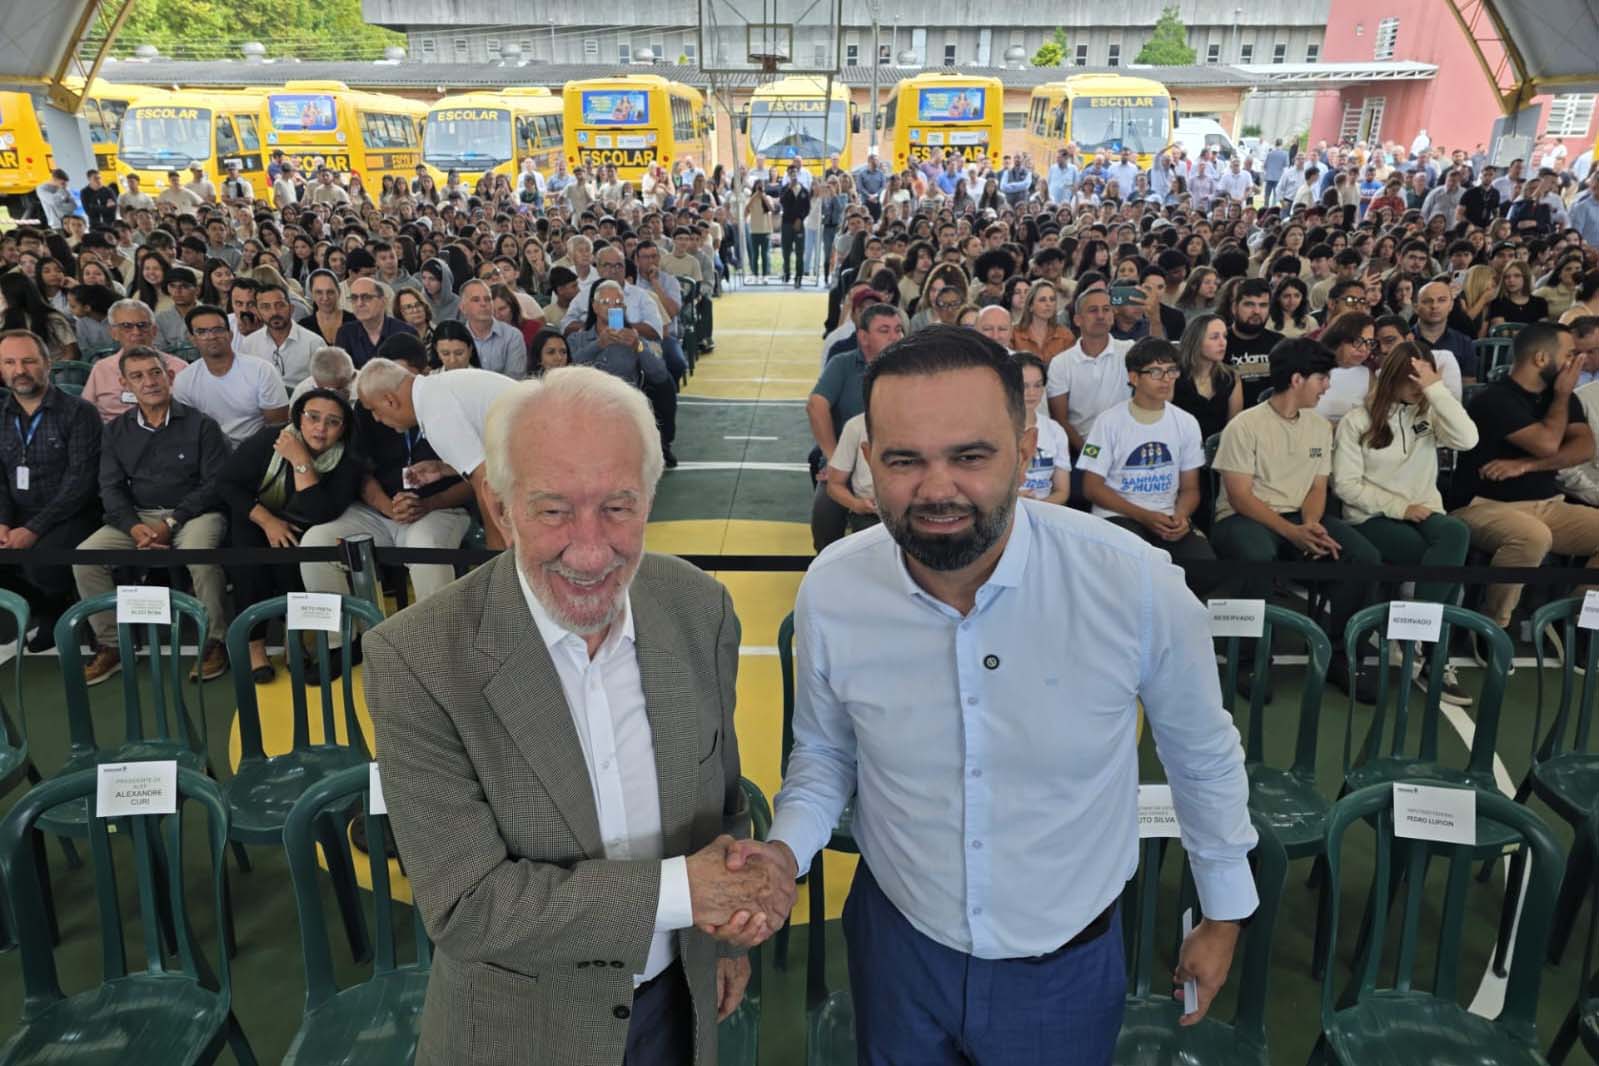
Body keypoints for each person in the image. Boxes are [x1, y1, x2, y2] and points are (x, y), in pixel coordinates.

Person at [743, 326, 1256, 1063]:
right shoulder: (834, 586)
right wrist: (782, 852)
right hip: (897, 948)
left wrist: (1223, 910)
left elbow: (1201, 753)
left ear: (1025, 451)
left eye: (970, 456)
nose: (936, 489)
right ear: (868, 462)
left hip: (1063, 964)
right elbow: (825, 754)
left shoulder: (1133, 585)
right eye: (904, 460)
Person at [363, 367, 777, 1066]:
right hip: (522, 1032)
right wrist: (688, 893)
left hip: (679, 1007)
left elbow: (721, 799)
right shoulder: (417, 658)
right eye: (553, 511)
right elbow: (467, 905)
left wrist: (722, 939)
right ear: (500, 506)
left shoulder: (699, 608)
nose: (589, 551)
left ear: (649, 498)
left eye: (617, 507)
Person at [1210, 338, 1381, 699]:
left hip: (1298, 517)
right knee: (1257, 557)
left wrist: (1312, 524)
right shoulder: (1245, 425)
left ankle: (1341, 654)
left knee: (1364, 557)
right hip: (1244, 517)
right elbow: (1240, 497)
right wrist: (1293, 532)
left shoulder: (1319, 427)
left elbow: (1317, 487)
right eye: (1322, 378)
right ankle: (1250, 660)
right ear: (1297, 379)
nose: (1327, 386)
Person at [72, 346, 231, 685]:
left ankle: (215, 641)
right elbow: (110, 487)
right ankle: (112, 645)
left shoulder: (202, 425)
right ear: (124, 383)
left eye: (155, 372)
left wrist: (171, 523)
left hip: (194, 514)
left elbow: (214, 485)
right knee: (85, 557)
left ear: (169, 376)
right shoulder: (116, 431)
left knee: (200, 555)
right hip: (138, 517)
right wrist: (133, 526)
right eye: (138, 376)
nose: (149, 382)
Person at [1333, 342, 1477, 704]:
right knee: (1439, 561)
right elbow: (1346, 486)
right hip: (1371, 517)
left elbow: (1468, 439)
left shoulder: (1429, 412)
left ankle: (1411, 636)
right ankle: (1433, 656)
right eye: (1411, 378)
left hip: (1425, 510)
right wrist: (1400, 507)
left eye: (1423, 378)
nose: (1418, 386)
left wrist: (1436, 390)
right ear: (1392, 377)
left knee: (1456, 533)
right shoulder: (1357, 420)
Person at [1451, 322, 1599, 651]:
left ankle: (1575, 620)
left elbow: (1585, 447)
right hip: (1482, 506)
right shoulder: (1494, 399)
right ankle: (1492, 626)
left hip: (1547, 505)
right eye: (1570, 355)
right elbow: (1548, 444)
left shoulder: (1560, 396)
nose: (1577, 363)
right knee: (1533, 536)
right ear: (1541, 358)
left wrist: (1526, 465)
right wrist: (1562, 395)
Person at [216, 388, 364, 681]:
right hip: (255, 515)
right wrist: (268, 522)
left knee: (295, 561)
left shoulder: (348, 459)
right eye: (313, 417)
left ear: (343, 428)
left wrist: (300, 461)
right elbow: (226, 484)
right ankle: (255, 647)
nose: (320, 428)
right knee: (250, 565)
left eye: (332, 422)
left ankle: (292, 638)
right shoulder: (269, 440)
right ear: (299, 418)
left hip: (303, 522)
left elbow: (319, 513)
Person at [1079, 336, 1215, 577]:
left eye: (1171, 371)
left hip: (1166, 516)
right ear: (1134, 378)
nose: (1166, 379)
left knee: (1205, 566)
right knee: (1134, 566)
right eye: (1155, 372)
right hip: (1118, 515)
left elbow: (1190, 488)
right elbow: (1091, 488)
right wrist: (1144, 516)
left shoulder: (1186, 422)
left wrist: (1180, 518)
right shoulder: (1108, 422)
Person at [0, 330, 101, 650]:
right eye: (10, 362)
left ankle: (58, 608)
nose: (20, 370)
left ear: (48, 363)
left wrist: (33, 528)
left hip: (72, 513)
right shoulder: (1, 415)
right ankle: (44, 607)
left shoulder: (79, 412)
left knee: (41, 558)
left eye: (28, 361)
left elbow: (80, 482)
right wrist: (3, 522)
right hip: (18, 511)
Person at [355, 357, 510, 550]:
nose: (376, 418)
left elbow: (486, 482)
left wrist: (496, 551)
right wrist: (445, 469)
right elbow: (490, 462)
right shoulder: (436, 391)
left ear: (390, 401)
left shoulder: (435, 413)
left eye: (373, 410)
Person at [808, 303, 906, 551]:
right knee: (825, 513)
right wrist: (832, 457)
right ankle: (826, 558)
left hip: (896, 461)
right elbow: (816, 406)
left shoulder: (913, 369)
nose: (894, 337)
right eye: (884, 330)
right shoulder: (842, 364)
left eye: (898, 329)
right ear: (863, 337)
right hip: (844, 460)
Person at [569, 280, 677, 466]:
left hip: (625, 408)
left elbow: (660, 374)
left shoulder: (633, 339)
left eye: (618, 303)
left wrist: (638, 347)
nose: (612, 307)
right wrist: (598, 345)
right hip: (586, 407)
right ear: (594, 307)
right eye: (606, 302)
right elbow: (567, 371)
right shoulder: (577, 339)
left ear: (624, 309)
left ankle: (659, 445)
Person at [172, 304, 290, 444]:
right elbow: (188, 429)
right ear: (192, 339)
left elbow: (277, 425)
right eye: (202, 332)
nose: (211, 336)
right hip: (210, 447)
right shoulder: (184, 380)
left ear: (230, 335)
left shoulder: (261, 370)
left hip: (257, 445)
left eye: (218, 330)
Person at [1046, 287, 1133, 453]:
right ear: (1077, 320)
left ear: (1112, 316)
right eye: (1093, 310)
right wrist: (1091, 454)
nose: (1100, 316)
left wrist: (1154, 317)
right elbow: (1060, 420)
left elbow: (1160, 360)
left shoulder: (1129, 351)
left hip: (1127, 447)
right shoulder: (1061, 363)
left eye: (1106, 309)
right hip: (1082, 450)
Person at [81, 299, 189, 423]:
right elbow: (85, 411)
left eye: (142, 325)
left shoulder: (179, 368)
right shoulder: (101, 368)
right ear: (113, 333)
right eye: (126, 326)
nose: (136, 332)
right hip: (112, 431)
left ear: (154, 331)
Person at [1174, 313, 1243, 443]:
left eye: (1224, 336)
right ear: (1195, 341)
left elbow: (1233, 428)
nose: (1223, 343)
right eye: (1214, 337)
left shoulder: (1230, 377)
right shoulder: (1174, 376)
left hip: (1219, 448)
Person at [1014, 352, 1072, 505]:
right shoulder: (992, 430)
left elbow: (1062, 491)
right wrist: (1012, 500)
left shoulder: (1055, 430)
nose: (1032, 393)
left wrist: (1038, 508)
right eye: (1024, 386)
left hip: (1045, 509)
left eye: (1038, 385)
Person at [240, 282, 320, 390]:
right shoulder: (249, 344)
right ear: (257, 312)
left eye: (280, 305)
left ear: (291, 308)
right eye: (265, 307)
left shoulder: (314, 343)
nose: (274, 312)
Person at [1224, 278, 1283, 406]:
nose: (1257, 311)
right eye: (1249, 304)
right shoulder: (1219, 342)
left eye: (1263, 305)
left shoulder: (1280, 344)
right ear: (1234, 308)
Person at [336, 277, 417, 369]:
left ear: (383, 301)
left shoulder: (407, 333)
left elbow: (413, 373)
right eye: (354, 298)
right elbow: (341, 373)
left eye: (366, 297)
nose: (359, 303)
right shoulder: (345, 333)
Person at [456, 278, 527, 378]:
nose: (483, 304)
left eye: (487, 299)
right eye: (476, 300)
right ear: (463, 308)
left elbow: (514, 380)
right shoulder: (456, 337)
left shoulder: (512, 336)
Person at [778, 163, 812, 288]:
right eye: (791, 172)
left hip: (799, 224)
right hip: (786, 223)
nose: (793, 174)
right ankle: (786, 273)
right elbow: (782, 201)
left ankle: (799, 277)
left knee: (799, 251)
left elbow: (807, 208)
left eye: (795, 172)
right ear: (788, 174)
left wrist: (800, 219)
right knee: (786, 251)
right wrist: (789, 188)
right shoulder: (784, 189)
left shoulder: (804, 190)